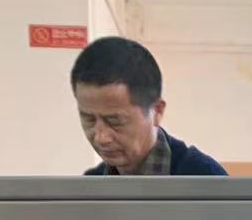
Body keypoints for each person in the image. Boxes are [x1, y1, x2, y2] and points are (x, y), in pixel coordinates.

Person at [70, 37, 226, 176]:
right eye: (89, 119)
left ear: (157, 111)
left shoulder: (206, 179)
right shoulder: (90, 186)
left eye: (115, 121)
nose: (101, 138)